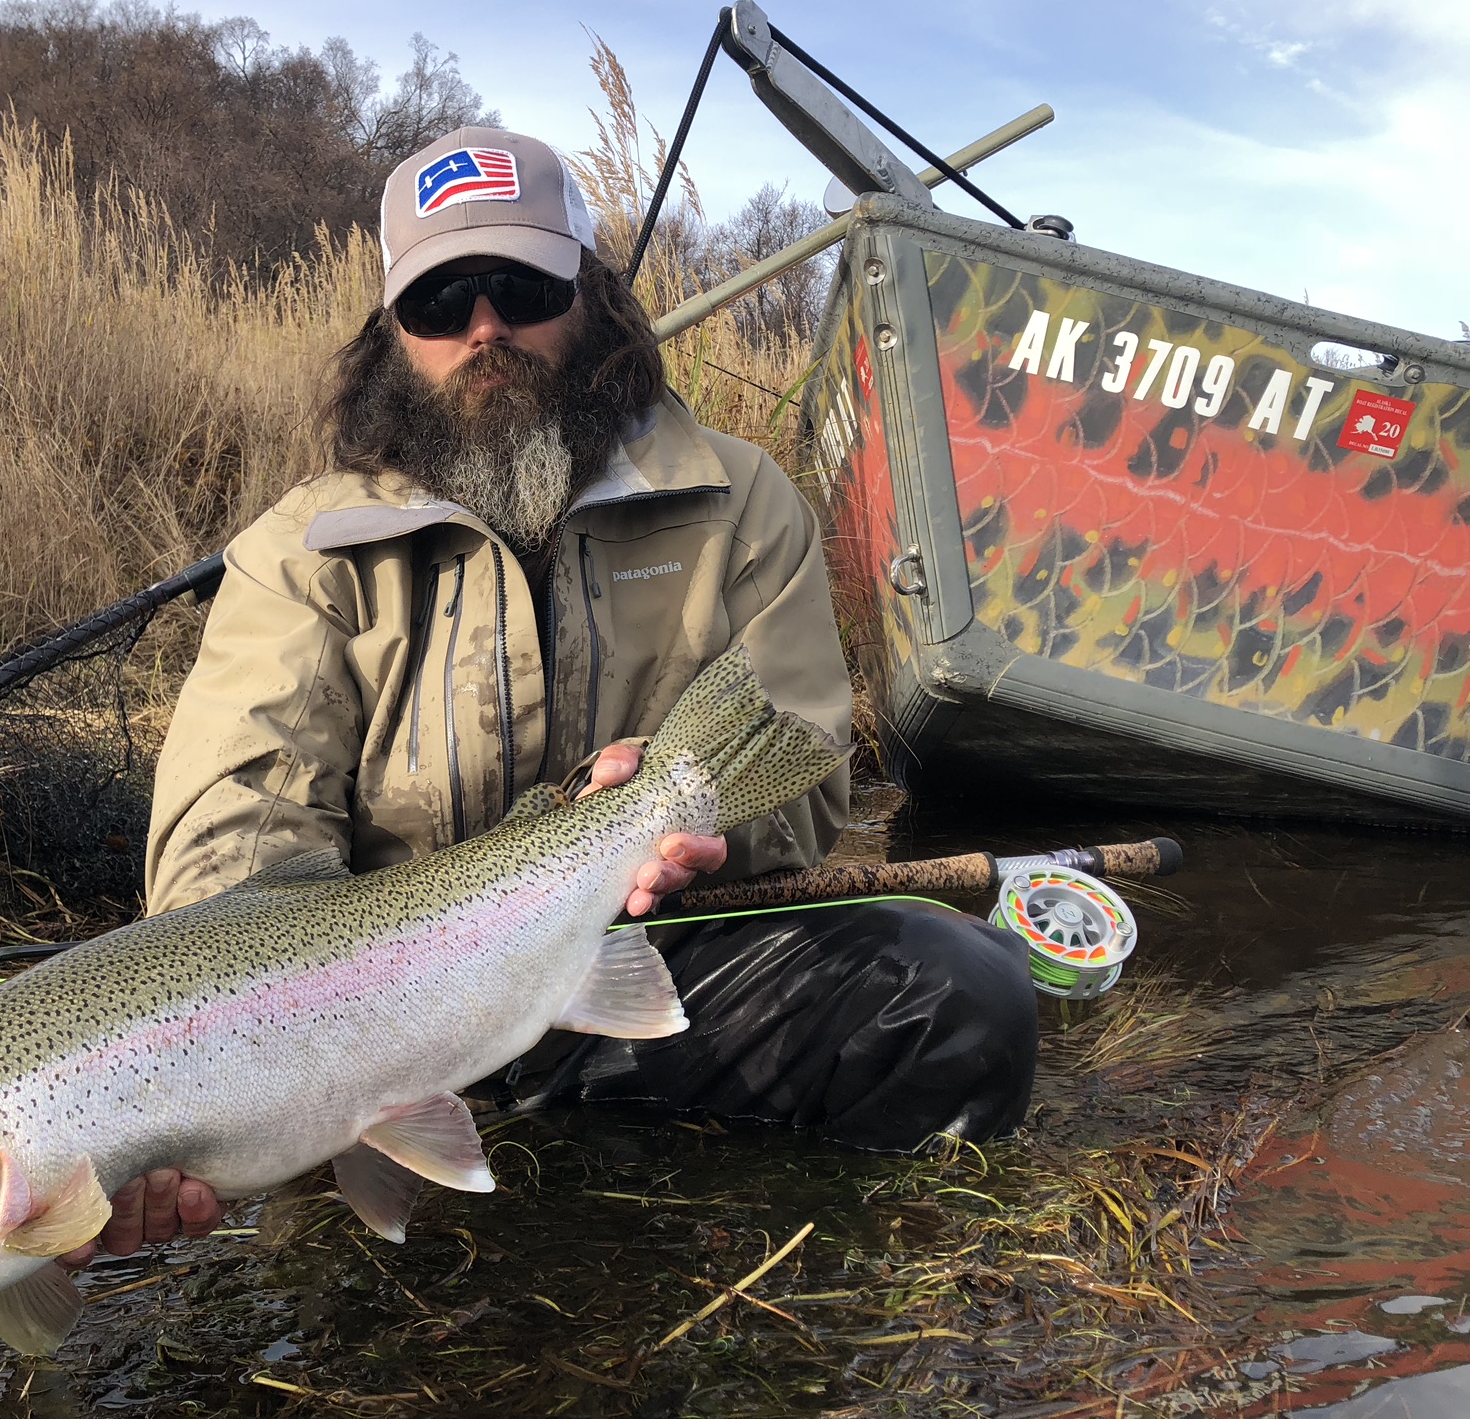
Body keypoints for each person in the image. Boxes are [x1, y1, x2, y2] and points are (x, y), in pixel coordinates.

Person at [70, 127, 1036, 1260]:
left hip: (649, 960)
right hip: (363, 1022)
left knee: (961, 998)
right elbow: (231, 827)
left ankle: (772, 1259)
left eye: (521, 287)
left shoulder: (737, 499)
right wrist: (213, 1072)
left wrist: (704, 830)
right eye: (441, 303)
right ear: (392, 338)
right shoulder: (298, 549)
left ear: (590, 296)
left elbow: (808, 770)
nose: (485, 328)